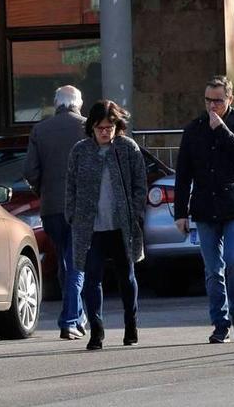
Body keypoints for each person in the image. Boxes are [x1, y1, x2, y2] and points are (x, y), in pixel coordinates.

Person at [173, 76, 234, 343]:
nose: (212, 106)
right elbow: (183, 174)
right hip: (205, 206)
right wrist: (180, 213)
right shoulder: (194, 129)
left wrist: (221, 129)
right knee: (213, 269)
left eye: (217, 100)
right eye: (208, 100)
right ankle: (220, 323)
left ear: (229, 99)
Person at [66, 100, 146, 350]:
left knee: (127, 277)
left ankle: (131, 324)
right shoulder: (80, 151)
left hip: (122, 226)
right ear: (91, 127)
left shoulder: (127, 148)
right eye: (100, 127)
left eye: (110, 127)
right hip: (90, 227)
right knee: (92, 279)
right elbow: (71, 185)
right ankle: (96, 331)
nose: (105, 132)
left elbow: (140, 184)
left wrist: (134, 212)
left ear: (117, 127)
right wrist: (72, 214)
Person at [23, 85, 87, 340]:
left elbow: (30, 170)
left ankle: (76, 316)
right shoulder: (87, 127)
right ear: (78, 103)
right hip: (81, 207)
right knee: (76, 265)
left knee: (64, 262)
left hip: (51, 209)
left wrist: (44, 190)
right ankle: (71, 319)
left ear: (56, 103)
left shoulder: (40, 129)